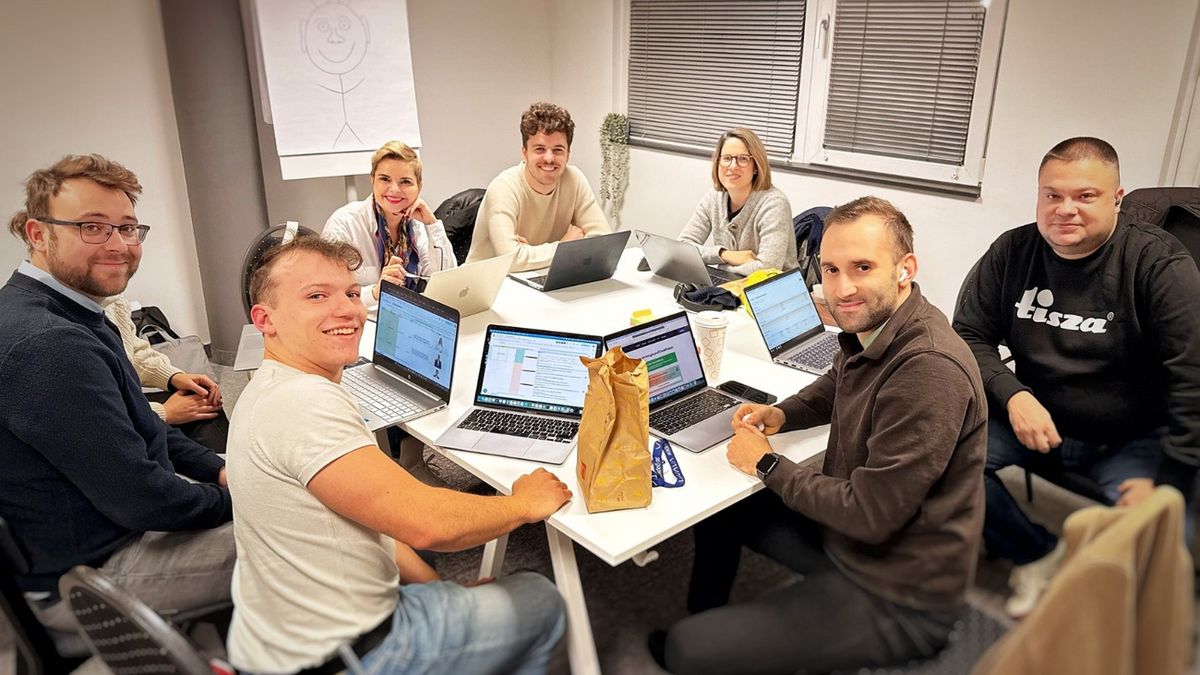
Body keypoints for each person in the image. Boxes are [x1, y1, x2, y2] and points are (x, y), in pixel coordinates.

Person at [655, 197, 987, 675]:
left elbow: (870, 515)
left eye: (862, 267)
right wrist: (781, 414)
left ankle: (712, 640)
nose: (842, 287)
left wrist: (767, 463)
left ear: (905, 269)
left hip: (899, 589)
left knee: (685, 651)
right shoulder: (880, 325)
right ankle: (715, 621)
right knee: (720, 511)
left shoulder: (928, 370)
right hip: (850, 537)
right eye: (831, 269)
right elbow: (836, 384)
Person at [227, 235, 569, 674]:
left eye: (352, 294)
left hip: (281, 641)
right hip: (349, 654)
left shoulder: (269, 386)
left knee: (435, 570)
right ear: (264, 319)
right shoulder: (305, 404)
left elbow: (372, 519)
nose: (347, 310)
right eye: (317, 296)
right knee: (542, 598)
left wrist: (442, 590)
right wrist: (523, 504)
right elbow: (428, 525)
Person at [952, 136, 1200, 618]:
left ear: (1117, 198)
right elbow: (968, 334)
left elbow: (1193, 379)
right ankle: (1036, 553)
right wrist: (1014, 395)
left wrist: (1169, 483)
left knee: (1165, 555)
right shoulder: (1013, 251)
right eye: (1052, 195)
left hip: (1130, 440)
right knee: (941, 458)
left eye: (1085, 196)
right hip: (1034, 424)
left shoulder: (1158, 265)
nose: (1065, 209)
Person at [0, 154, 233, 630]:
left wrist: (217, 470)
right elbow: (142, 500)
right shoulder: (50, 343)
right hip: (90, 576)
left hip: (99, 533)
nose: (119, 244)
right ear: (37, 234)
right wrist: (248, 499)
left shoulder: (70, 311)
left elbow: (141, 424)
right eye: (92, 227)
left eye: (127, 228)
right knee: (309, 534)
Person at [465, 102, 610, 271]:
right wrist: (564, 246)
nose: (549, 158)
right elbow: (511, 260)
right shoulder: (503, 188)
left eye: (558, 150)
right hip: (487, 282)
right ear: (524, 152)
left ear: (568, 154)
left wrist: (528, 254)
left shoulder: (574, 180)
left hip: (543, 276)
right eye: (540, 149)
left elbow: (604, 242)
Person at [323, 140, 457, 311]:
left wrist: (432, 223)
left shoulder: (417, 223)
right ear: (373, 180)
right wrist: (375, 292)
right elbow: (331, 297)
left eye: (405, 181)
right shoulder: (344, 224)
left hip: (410, 315)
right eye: (385, 179)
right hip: (360, 321)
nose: (394, 189)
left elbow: (444, 283)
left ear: (419, 187)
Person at [101, 293, 229, 452]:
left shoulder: (111, 301)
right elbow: (93, 414)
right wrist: (163, 412)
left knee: (203, 400)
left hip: (125, 402)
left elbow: (133, 353)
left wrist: (173, 376)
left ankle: (227, 462)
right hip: (106, 424)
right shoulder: (74, 335)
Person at [678, 127, 797, 276]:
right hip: (731, 284)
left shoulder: (774, 204)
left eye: (743, 159)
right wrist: (723, 254)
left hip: (770, 287)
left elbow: (767, 269)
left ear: (756, 166)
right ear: (717, 162)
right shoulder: (714, 197)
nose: (733, 166)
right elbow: (682, 247)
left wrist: (721, 270)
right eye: (727, 158)